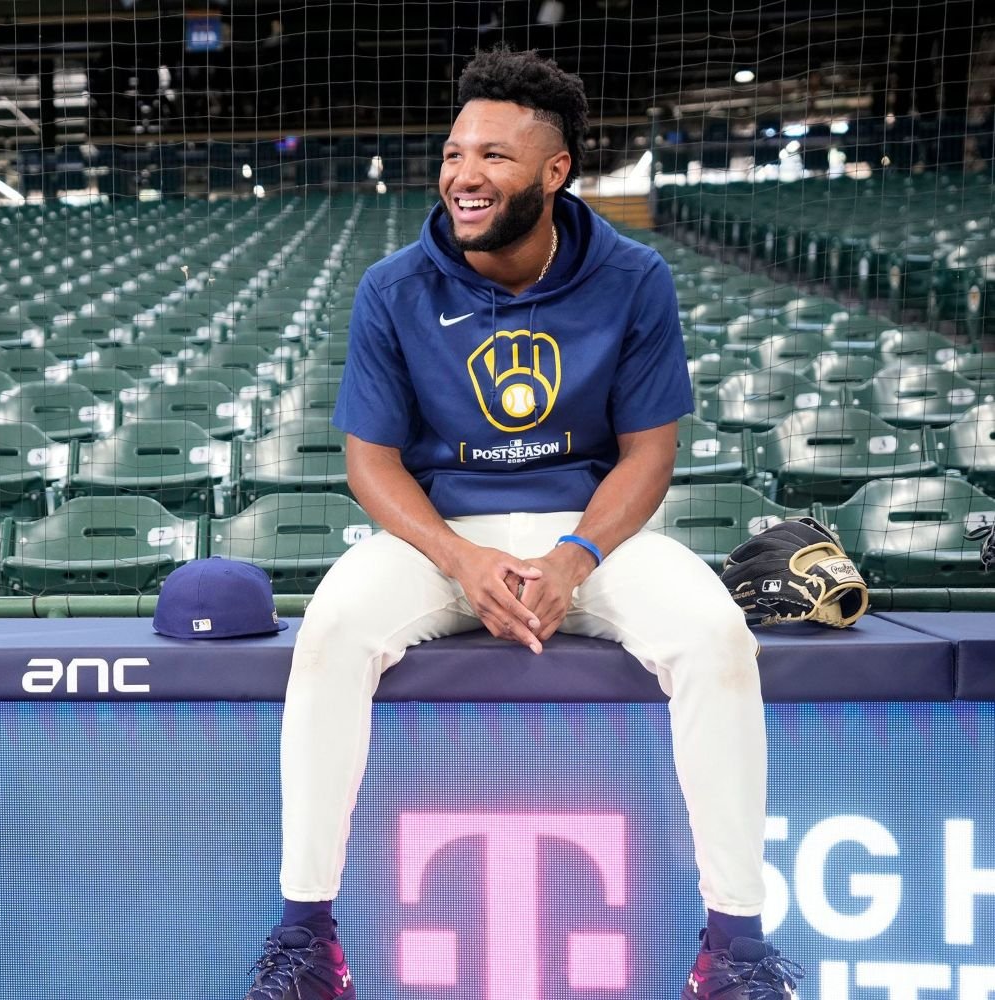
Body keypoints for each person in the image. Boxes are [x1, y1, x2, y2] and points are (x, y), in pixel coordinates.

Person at [243, 47, 804, 1000]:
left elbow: (648, 455)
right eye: (455, 153)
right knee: (332, 629)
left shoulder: (632, 275)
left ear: (555, 172)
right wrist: (459, 557)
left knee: (715, 636)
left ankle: (736, 952)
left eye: (495, 157)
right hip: (439, 537)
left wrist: (576, 556)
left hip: (590, 535)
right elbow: (371, 464)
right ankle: (307, 942)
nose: (464, 175)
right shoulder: (394, 286)